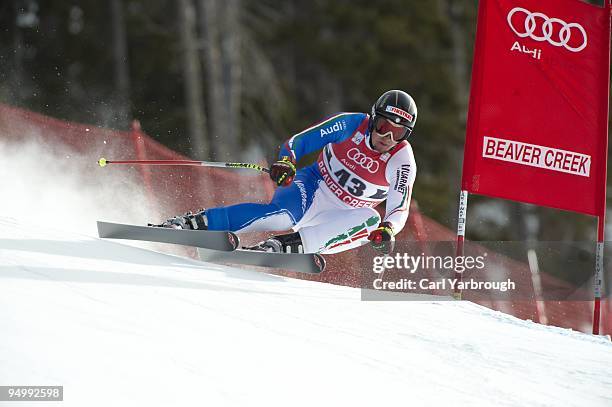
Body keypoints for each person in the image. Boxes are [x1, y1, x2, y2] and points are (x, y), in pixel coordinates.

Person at [159, 89, 417, 255]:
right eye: (383, 126)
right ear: (373, 118)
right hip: (314, 186)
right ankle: (196, 223)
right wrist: (286, 161)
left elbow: (399, 208)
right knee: (282, 218)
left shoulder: (402, 159)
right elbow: (299, 142)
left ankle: (283, 247)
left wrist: (388, 230)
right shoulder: (351, 124)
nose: (387, 137)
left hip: (343, 216)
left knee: (371, 219)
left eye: (398, 132)